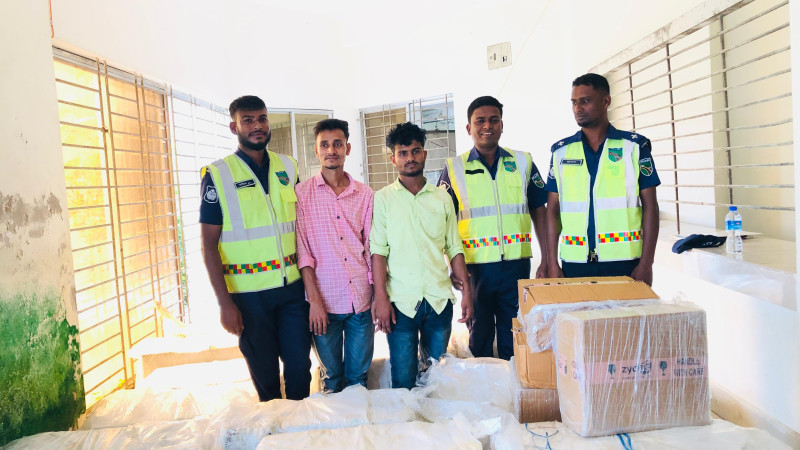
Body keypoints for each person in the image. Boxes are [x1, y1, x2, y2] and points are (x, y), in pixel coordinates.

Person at [199, 95, 311, 401]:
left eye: (262, 118)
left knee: (300, 368)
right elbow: (208, 245)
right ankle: (274, 426)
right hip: (249, 297)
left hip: (292, 291)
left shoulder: (287, 166)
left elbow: (302, 226)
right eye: (248, 120)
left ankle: (300, 425)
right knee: (265, 376)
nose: (257, 126)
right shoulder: (218, 174)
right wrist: (224, 303)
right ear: (234, 127)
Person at [437, 96, 548, 361]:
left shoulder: (523, 162)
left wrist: (546, 259)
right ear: (469, 128)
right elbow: (444, 225)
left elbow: (540, 211)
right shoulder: (454, 168)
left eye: (494, 120)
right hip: (475, 271)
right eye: (480, 121)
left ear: (501, 124)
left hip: (516, 267)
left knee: (516, 336)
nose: (487, 126)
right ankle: (484, 386)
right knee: (480, 338)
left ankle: (515, 385)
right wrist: (454, 268)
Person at [370, 122, 473, 389]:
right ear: (393, 159)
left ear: (424, 154)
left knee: (436, 380)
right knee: (403, 381)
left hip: (439, 302)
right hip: (400, 304)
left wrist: (466, 292)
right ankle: (407, 417)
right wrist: (381, 299)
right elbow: (378, 252)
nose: (410, 158)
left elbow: (454, 246)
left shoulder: (442, 198)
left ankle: (432, 417)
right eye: (402, 153)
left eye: (415, 151)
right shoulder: (383, 199)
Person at [545, 73, 660, 285]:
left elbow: (651, 207)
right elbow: (552, 210)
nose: (578, 108)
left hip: (626, 262)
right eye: (574, 102)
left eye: (585, 101)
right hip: (574, 263)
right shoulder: (561, 152)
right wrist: (552, 262)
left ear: (606, 101)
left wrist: (646, 264)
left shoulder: (634, 147)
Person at [295, 118, 374, 393]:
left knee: (358, 379)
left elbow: (371, 247)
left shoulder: (365, 194)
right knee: (331, 380)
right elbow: (303, 252)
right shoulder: (301, 194)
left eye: (338, 144)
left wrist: (377, 294)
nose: (331, 150)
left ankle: (357, 422)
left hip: (360, 301)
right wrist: (314, 301)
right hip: (324, 303)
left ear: (347, 149)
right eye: (325, 145)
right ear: (316, 150)